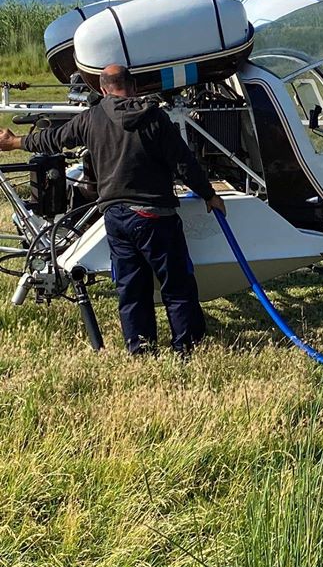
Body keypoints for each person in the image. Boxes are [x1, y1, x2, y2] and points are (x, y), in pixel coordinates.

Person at [0, 64, 226, 355]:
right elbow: (183, 163)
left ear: (103, 89)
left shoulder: (91, 118)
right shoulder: (154, 117)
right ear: (132, 87)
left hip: (116, 217)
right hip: (155, 215)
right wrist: (209, 195)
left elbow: (54, 139)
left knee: (131, 287)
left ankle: (140, 349)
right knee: (176, 284)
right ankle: (187, 346)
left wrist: (15, 142)